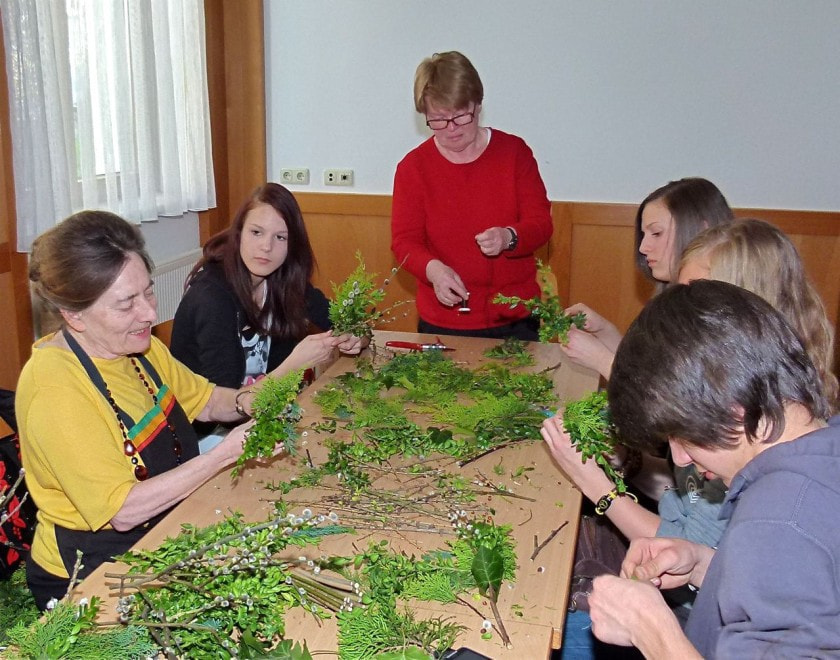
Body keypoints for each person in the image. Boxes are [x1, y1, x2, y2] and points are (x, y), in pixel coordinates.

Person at [16, 211, 286, 610]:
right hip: (88, 575)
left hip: (162, 536)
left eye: (148, 292)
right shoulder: (54, 390)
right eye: (126, 303)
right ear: (74, 315)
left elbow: (205, 400)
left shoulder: (139, 347)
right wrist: (227, 453)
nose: (148, 313)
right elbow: (123, 511)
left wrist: (248, 400)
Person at [542, 218, 838, 545]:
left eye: (696, 293)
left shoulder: (748, 435)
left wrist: (594, 484)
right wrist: (627, 462)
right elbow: (686, 492)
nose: (681, 306)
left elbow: (688, 545)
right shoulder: (748, 418)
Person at [586, 280, 839, 657]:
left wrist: (651, 632)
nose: (680, 458)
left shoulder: (775, 524)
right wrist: (706, 565)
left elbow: (785, 546)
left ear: (734, 412)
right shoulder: (822, 450)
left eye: (681, 436)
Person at [391, 50, 553, 340]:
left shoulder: (514, 153)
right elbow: (404, 242)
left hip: (515, 318)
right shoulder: (413, 168)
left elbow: (541, 224)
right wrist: (433, 271)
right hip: (443, 320)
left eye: (460, 116)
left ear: (478, 105)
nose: (451, 128)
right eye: (438, 119)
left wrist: (508, 237)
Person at [171, 182, 364, 393]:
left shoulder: (283, 280)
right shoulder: (212, 298)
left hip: (269, 406)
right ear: (239, 234)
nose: (266, 247)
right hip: (215, 414)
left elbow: (349, 322)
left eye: (280, 237)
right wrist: (295, 365)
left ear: (292, 245)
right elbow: (226, 401)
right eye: (256, 232)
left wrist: (358, 338)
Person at [560, 177, 733, 380]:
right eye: (644, 235)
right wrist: (604, 330)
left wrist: (600, 360)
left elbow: (667, 396)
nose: (643, 247)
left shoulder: (719, 314)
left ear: (702, 231)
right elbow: (646, 369)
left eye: (657, 233)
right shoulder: (674, 300)